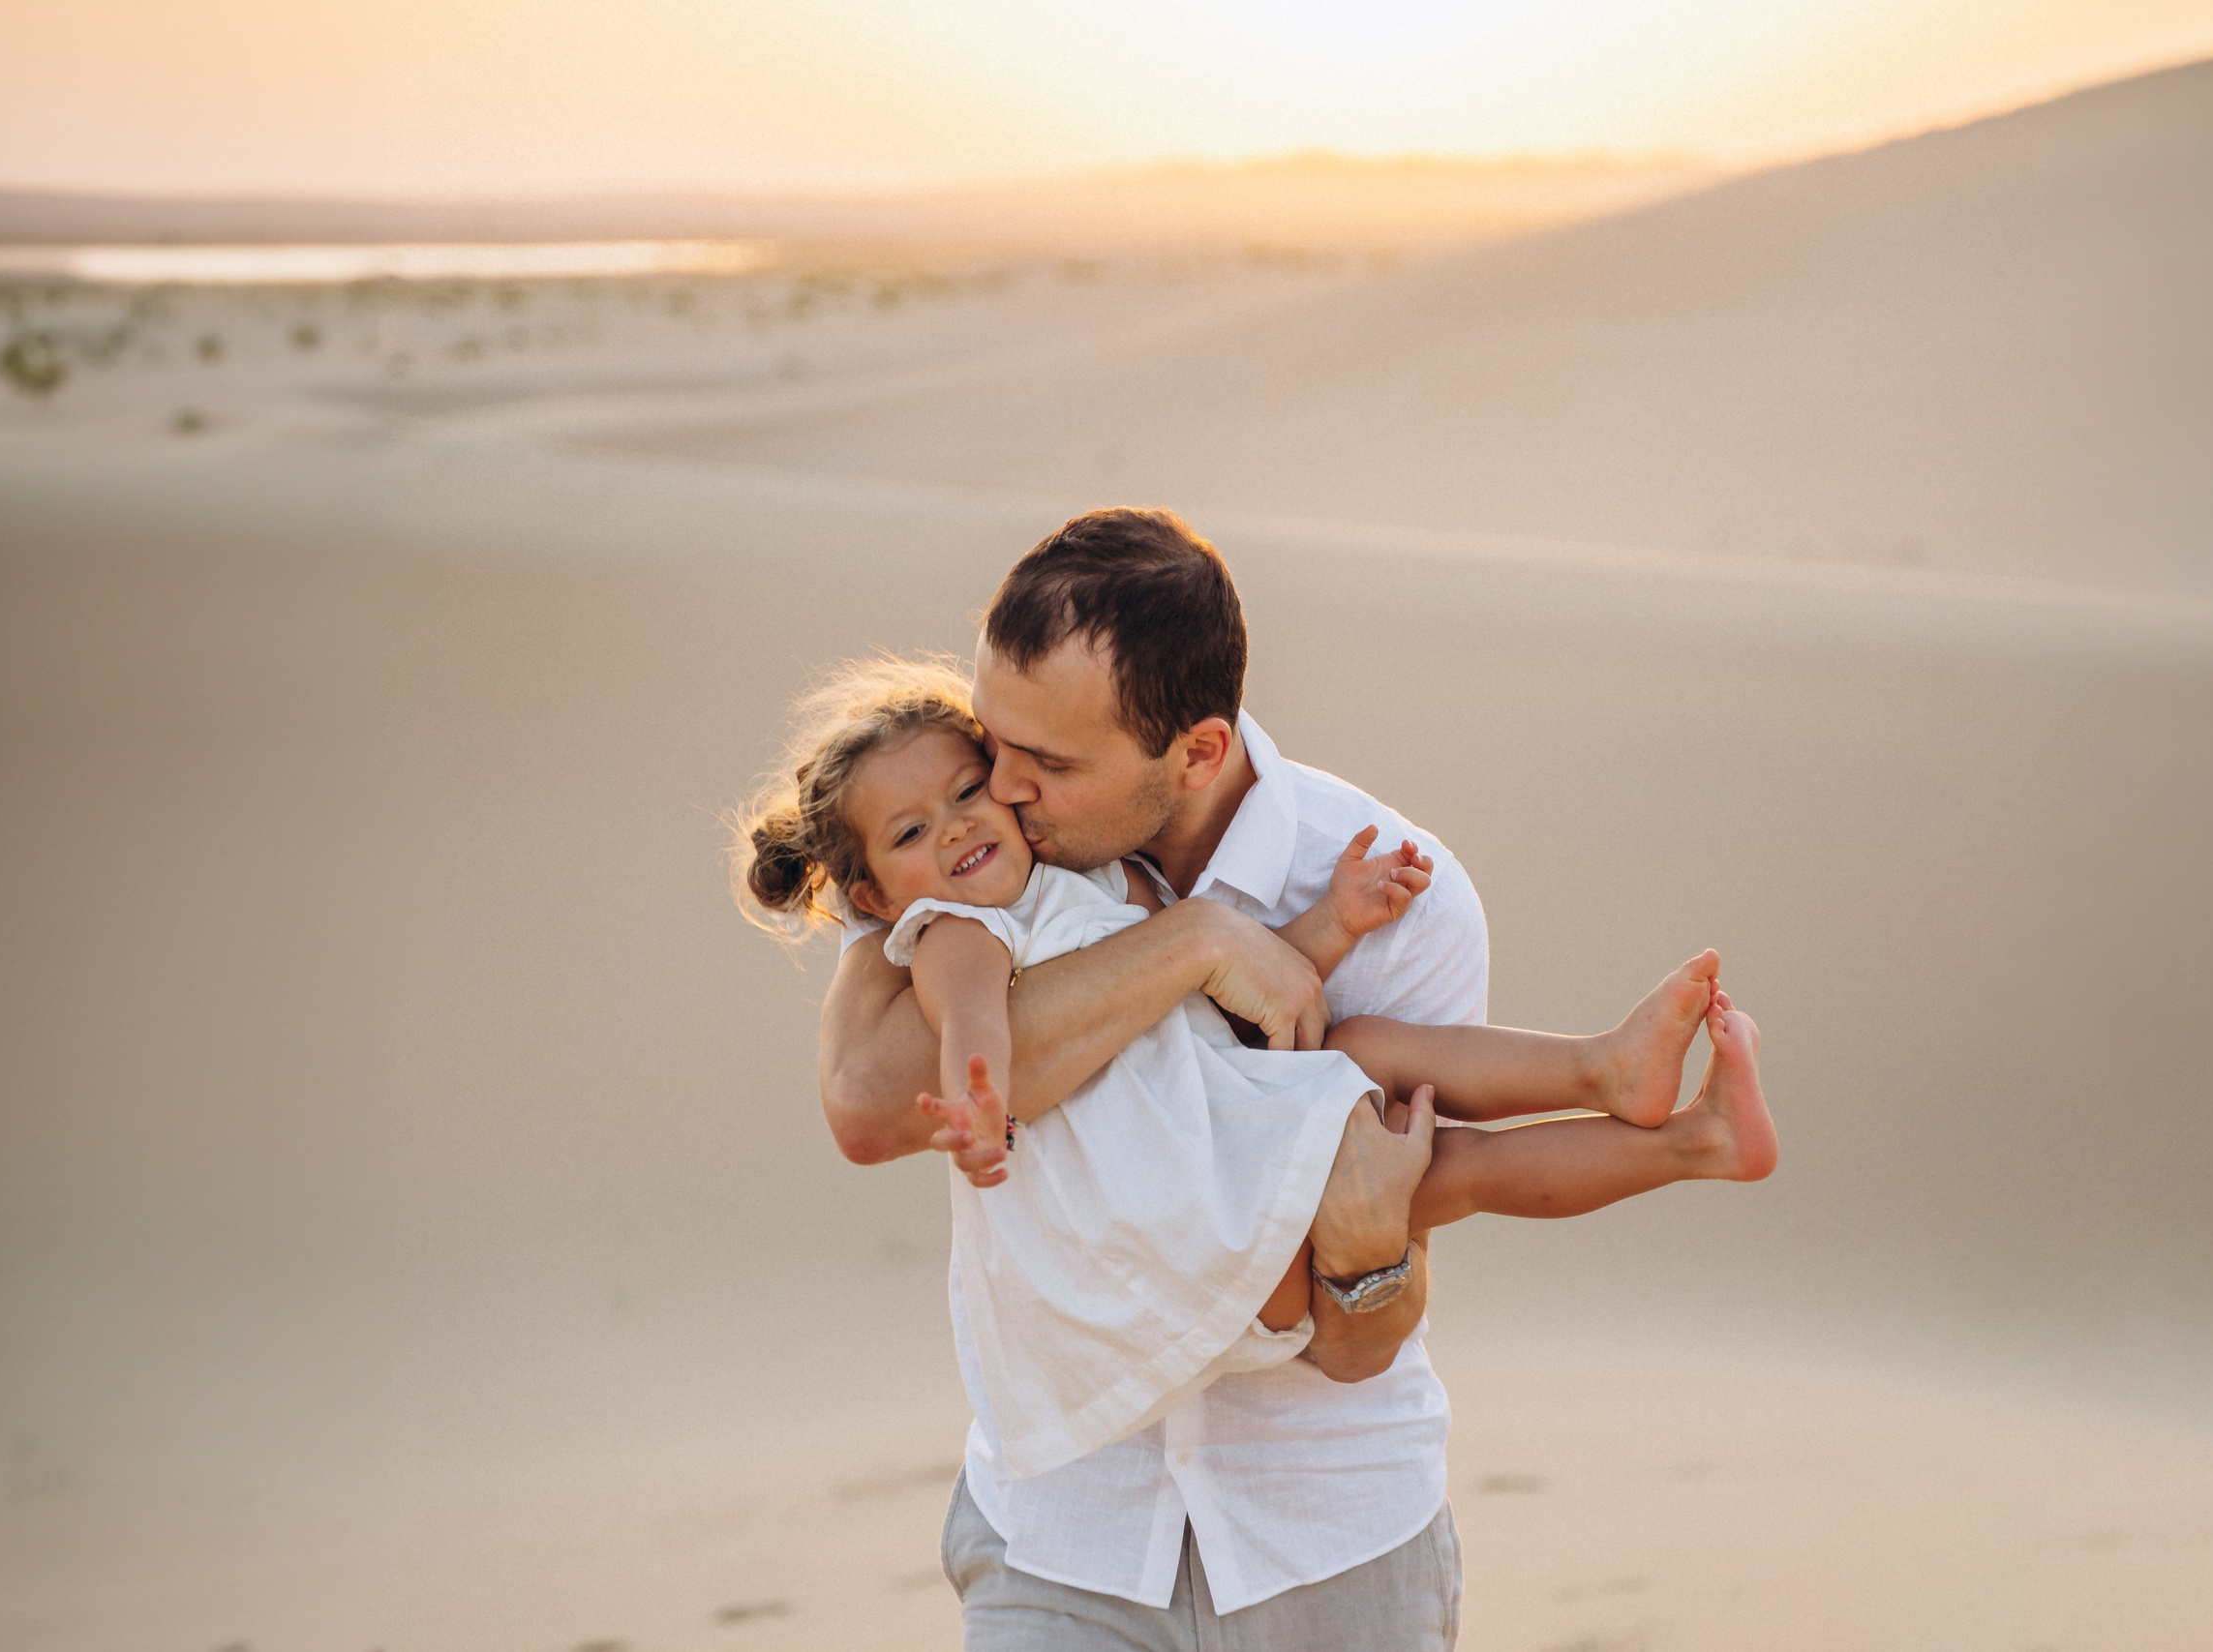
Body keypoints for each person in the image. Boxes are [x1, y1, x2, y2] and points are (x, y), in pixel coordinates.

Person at [797, 507, 1771, 1649]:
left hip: (1328, 1540)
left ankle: (1640, 1104)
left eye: (1046, 764)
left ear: (1196, 752)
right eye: (992, 742)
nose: (999, 789)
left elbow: (1366, 1336)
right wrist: (1194, 939)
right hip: (1061, 1533)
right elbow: (871, 1106)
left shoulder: (1391, 886)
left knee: (1413, 1127)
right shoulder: (959, 860)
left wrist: (1360, 1259)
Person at [734, 658, 1775, 1485]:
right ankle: (1655, 1118)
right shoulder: (951, 927)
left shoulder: (1093, 881)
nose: (965, 820)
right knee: (1441, 1163)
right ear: (870, 895)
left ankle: (1650, 1106)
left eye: (973, 787)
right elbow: (968, 1024)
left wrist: (1328, 924)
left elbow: (1228, 1008)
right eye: (915, 829)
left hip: (1222, 1174)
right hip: (1188, 1229)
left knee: (1400, 1110)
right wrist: (976, 1100)